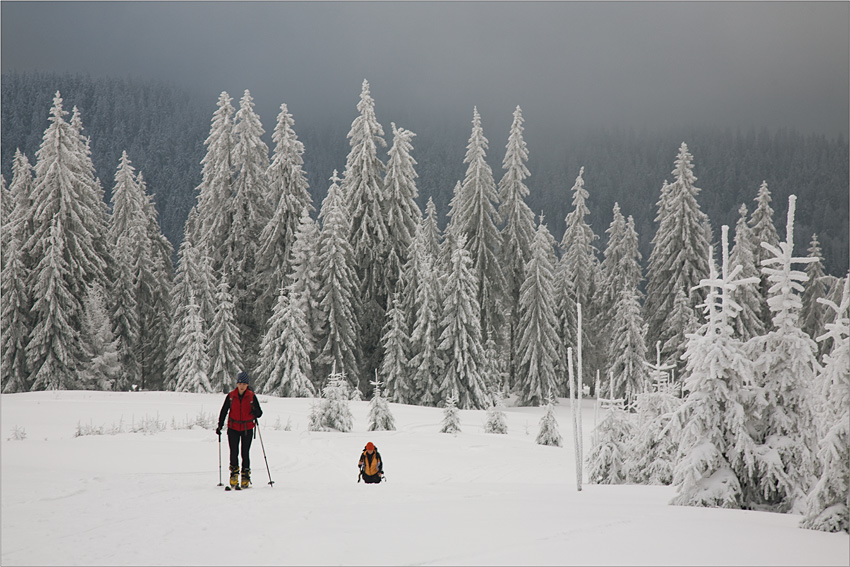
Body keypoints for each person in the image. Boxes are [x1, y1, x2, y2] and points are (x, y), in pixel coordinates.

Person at [216, 371, 263, 489]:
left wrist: (255, 412)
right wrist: (220, 425)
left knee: (245, 453)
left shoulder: (252, 396)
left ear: (247, 385)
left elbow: (260, 413)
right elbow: (224, 411)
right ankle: (234, 475)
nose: (242, 386)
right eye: (240, 383)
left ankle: (245, 476)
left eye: (244, 383)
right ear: (237, 384)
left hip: (247, 428)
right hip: (233, 428)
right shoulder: (231, 396)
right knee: (233, 452)